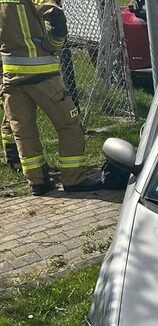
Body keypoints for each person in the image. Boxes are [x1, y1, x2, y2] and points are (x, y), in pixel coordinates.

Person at [0, 0, 101, 195]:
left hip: (11, 77)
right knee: (69, 125)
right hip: (43, 76)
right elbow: (56, 16)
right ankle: (74, 179)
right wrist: (52, 44)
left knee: (24, 133)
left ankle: (38, 182)